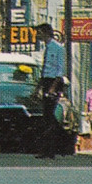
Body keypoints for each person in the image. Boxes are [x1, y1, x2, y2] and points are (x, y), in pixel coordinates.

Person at [33, 22, 65, 159]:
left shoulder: (58, 48)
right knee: (46, 116)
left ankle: (53, 148)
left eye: (39, 32)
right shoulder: (45, 48)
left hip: (54, 82)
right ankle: (47, 149)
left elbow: (59, 70)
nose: (38, 35)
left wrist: (53, 87)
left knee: (50, 115)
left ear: (46, 32)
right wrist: (38, 88)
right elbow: (44, 69)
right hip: (46, 81)